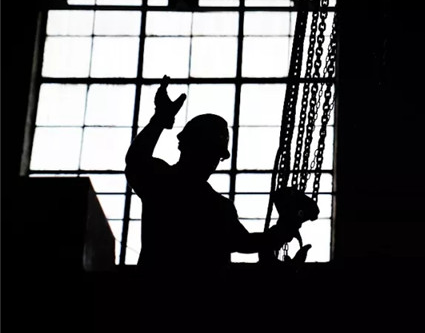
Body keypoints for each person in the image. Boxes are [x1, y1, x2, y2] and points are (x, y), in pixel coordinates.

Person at [125, 75, 316, 273]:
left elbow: (136, 161)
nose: (211, 161)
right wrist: (288, 224)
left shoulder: (162, 181)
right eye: (208, 152)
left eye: (215, 156)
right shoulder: (213, 204)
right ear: (186, 147)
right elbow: (246, 242)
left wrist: (159, 120)